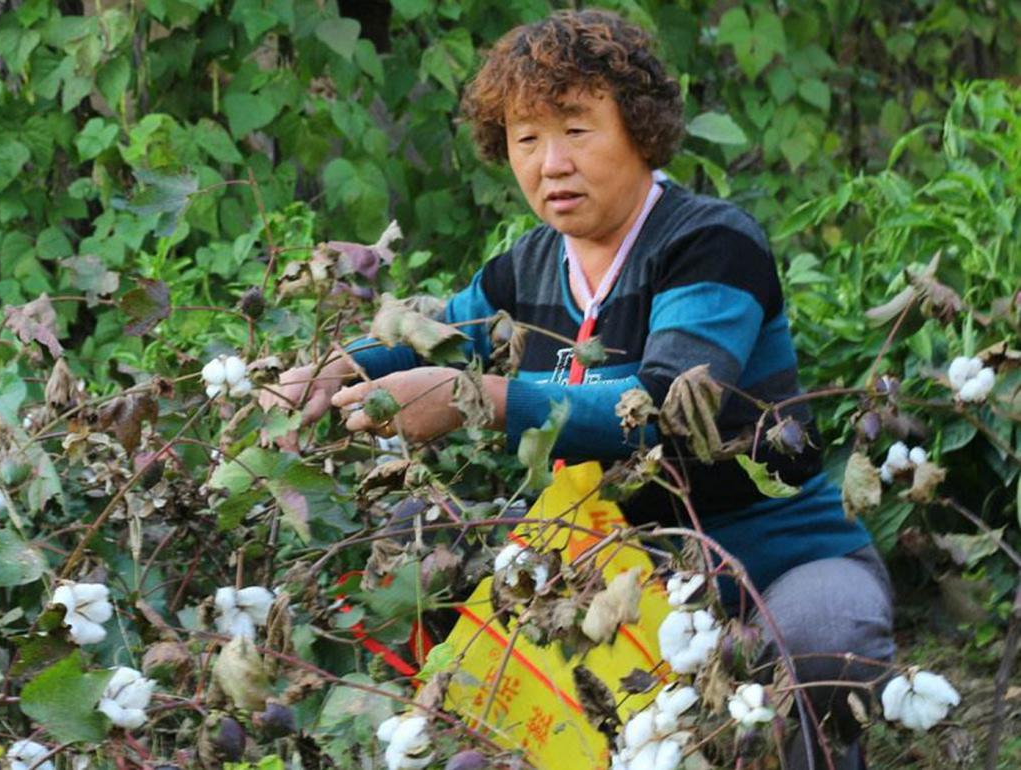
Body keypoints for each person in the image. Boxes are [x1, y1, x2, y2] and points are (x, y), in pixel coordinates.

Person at [274, 10, 893, 769]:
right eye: (525, 139)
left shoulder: (711, 245)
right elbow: (436, 338)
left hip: (775, 564)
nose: (551, 163)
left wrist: (482, 399)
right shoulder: (525, 269)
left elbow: (665, 408)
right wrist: (339, 368)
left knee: (824, 642)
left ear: (641, 129)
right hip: (617, 581)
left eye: (577, 129)